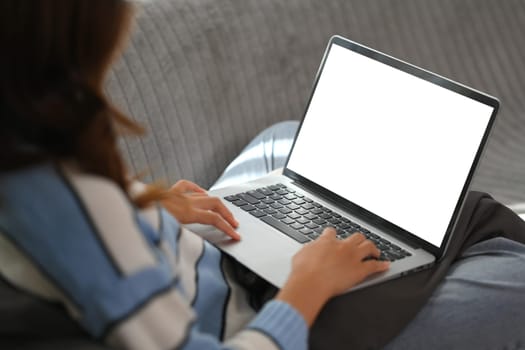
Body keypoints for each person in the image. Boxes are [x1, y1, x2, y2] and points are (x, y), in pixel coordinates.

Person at [0, 1, 524, 350]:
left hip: (206, 260)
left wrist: (146, 207)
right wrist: (305, 286)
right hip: (261, 314)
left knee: (283, 136)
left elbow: (98, 253)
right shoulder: (75, 204)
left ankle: (372, 231)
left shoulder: (27, 154)